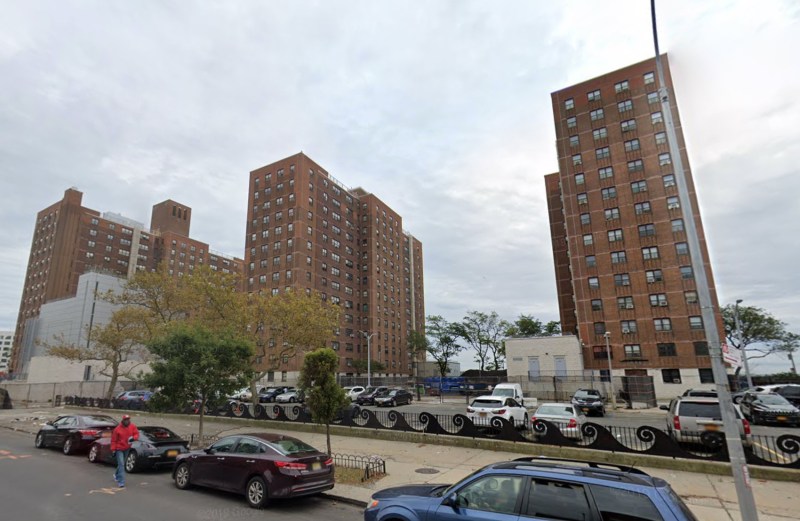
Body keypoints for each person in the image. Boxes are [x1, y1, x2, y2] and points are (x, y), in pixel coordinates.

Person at [110, 414, 139, 488]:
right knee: (122, 464)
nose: (127, 421)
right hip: (119, 449)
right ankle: (121, 482)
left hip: (127, 448)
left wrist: (134, 438)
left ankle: (116, 475)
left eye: (128, 419)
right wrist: (113, 450)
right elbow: (113, 440)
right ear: (123, 420)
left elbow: (136, 433)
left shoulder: (132, 426)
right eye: (126, 420)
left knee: (121, 464)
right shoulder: (117, 429)